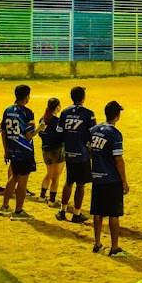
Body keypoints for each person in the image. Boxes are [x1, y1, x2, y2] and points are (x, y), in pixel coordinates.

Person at [89, 101, 129, 257]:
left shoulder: (94, 129)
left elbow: (90, 149)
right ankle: (114, 247)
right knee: (113, 214)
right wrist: (124, 181)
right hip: (111, 179)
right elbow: (118, 160)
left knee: (97, 212)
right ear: (117, 115)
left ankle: (97, 242)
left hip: (97, 177)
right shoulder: (115, 134)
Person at [56, 86, 96, 224]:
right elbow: (93, 134)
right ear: (83, 98)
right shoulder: (88, 114)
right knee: (80, 184)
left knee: (69, 181)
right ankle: (76, 213)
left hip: (69, 152)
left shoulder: (65, 112)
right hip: (82, 154)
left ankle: (62, 210)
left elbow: (59, 132)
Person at [0, 84, 36, 221]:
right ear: (26, 97)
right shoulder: (27, 113)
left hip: (13, 149)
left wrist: (6, 149)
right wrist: (39, 129)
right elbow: (28, 135)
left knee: (13, 177)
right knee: (22, 182)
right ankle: (18, 211)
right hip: (24, 151)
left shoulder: (8, 111)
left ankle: (5, 206)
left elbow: (3, 131)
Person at [36, 97, 64, 206]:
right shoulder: (58, 121)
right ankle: (52, 200)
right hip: (56, 150)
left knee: (49, 173)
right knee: (55, 177)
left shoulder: (42, 119)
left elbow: (40, 134)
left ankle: (42, 196)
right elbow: (62, 136)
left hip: (45, 150)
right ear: (57, 107)